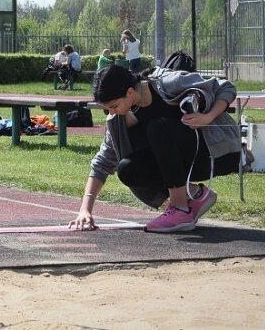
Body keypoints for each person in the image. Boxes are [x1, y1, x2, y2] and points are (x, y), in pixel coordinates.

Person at [68, 64, 242, 233]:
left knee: (158, 128)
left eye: (114, 106)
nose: (112, 112)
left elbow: (226, 87)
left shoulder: (167, 82)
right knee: (128, 169)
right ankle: (194, 194)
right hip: (184, 165)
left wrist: (207, 117)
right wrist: (85, 210)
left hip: (218, 154)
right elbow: (102, 162)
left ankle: (180, 209)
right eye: (107, 109)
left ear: (130, 92)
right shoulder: (118, 120)